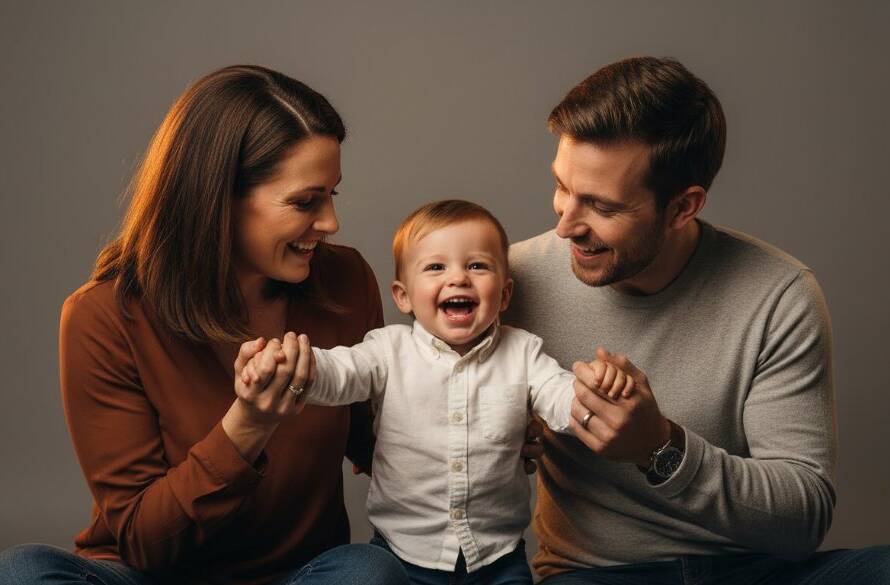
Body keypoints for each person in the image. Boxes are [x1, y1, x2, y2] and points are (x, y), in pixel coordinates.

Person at [0, 64, 414, 585]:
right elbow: (143, 540)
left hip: (301, 575)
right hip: (148, 575)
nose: (330, 222)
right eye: (305, 201)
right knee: (20, 572)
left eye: (332, 195)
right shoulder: (102, 315)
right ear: (217, 201)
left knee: (369, 571)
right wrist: (249, 425)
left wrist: (480, 423)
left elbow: (376, 439)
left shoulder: (344, 279)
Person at [504, 56, 890, 584]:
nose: (566, 223)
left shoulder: (778, 294)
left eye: (602, 206)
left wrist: (659, 447)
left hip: (757, 572)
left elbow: (804, 518)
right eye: (562, 187)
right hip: (597, 575)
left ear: (683, 206)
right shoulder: (511, 281)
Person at [238, 199, 634, 585]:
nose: (458, 277)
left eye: (478, 265)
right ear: (403, 296)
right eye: (435, 267)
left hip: (497, 559)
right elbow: (340, 372)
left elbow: (558, 395)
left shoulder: (523, 351)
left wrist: (593, 392)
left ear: (506, 293)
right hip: (404, 556)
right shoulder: (388, 350)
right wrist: (291, 365)